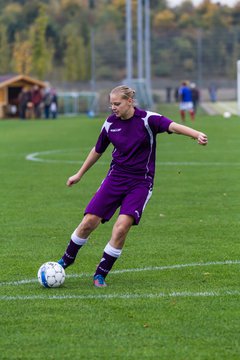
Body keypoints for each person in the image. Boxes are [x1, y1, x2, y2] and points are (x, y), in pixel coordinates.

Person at [57, 85, 208, 287]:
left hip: (140, 183)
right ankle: (66, 260)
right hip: (115, 179)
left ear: (130, 101)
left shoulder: (148, 119)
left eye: (117, 103)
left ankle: (100, 274)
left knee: (121, 228)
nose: (113, 107)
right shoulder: (110, 123)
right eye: (111, 104)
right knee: (88, 222)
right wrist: (79, 173)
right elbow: (97, 150)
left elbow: (172, 126)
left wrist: (196, 133)